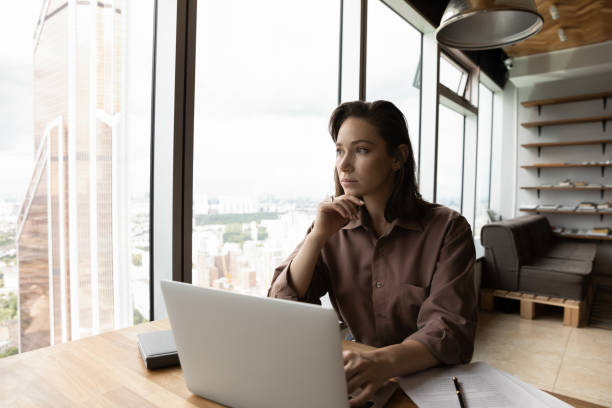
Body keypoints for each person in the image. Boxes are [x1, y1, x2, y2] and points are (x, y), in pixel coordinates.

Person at [268, 100, 477, 407]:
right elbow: (282, 303)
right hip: (354, 374)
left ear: (398, 157)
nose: (344, 164)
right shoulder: (330, 226)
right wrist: (318, 236)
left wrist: (382, 363)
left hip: (423, 379)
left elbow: (450, 332)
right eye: (340, 150)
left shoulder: (449, 229)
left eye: (361, 150)